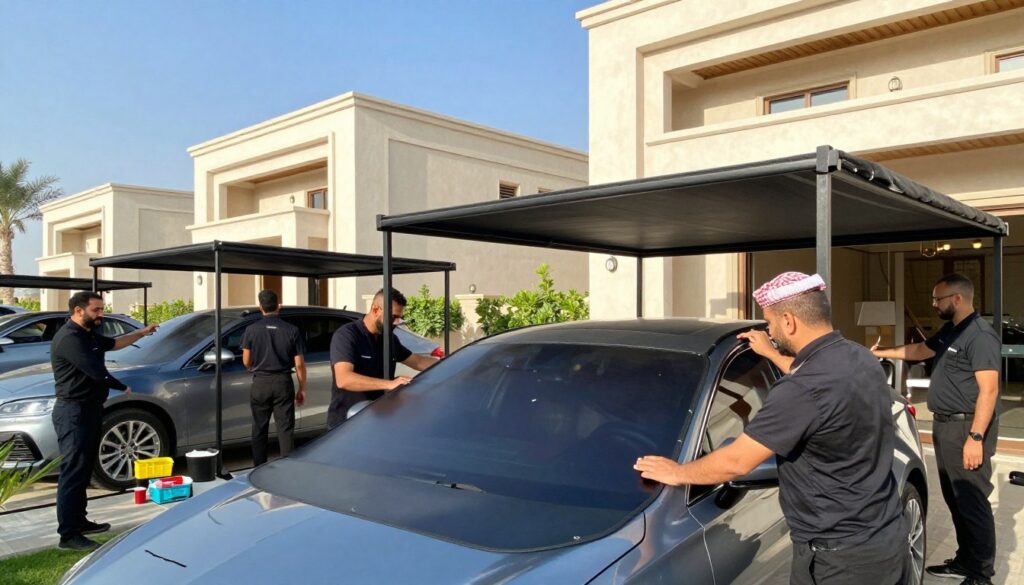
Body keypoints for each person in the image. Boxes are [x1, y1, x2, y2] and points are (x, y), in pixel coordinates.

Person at [634, 272, 906, 585]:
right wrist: (772, 354)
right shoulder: (859, 357)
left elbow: (737, 461)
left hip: (839, 563)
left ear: (789, 320)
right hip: (884, 538)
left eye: (772, 323)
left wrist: (676, 472)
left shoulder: (800, 390)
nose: (771, 331)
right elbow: (817, 385)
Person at [873, 273, 999, 585]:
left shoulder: (979, 336)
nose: (933, 304)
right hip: (946, 427)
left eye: (937, 299)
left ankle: (981, 574)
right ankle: (965, 561)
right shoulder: (951, 331)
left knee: (972, 500)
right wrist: (877, 353)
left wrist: (976, 438)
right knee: (956, 499)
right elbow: (920, 351)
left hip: (967, 428)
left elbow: (990, 391)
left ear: (956, 299)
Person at [50, 291, 158, 550]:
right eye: (96, 310)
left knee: (84, 469)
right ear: (78, 311)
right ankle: (68, 534)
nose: (101, 314)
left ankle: (80, 520)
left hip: (89, 410)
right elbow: (97, 372)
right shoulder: (70, 338)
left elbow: (113, 344)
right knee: (73, 472)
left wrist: (141, 333)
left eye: (101, 309)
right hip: (73, 412)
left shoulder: (86, 334)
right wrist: (123, 388)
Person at [326, 287, 438, 429]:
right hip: (345, 425)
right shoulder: (347, 335)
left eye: (399, 317)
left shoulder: (390, 340)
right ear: (376, 310)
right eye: (393, 317)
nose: (397, 322)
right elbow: (344, 379)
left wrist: (455, 363)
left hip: (379, 421)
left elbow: (418, 361)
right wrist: (390, 384)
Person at [240, 289, 306, 467]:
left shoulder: (251, 330)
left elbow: (246, 360)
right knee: (285, 428)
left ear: (260, 307)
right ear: (279, 305)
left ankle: (259, 467)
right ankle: (287, 468)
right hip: (283, 381)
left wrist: (252, 367)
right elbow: (299, 364)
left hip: (260, 382)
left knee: (259, 428)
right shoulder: (292, 330)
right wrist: (302, 388)